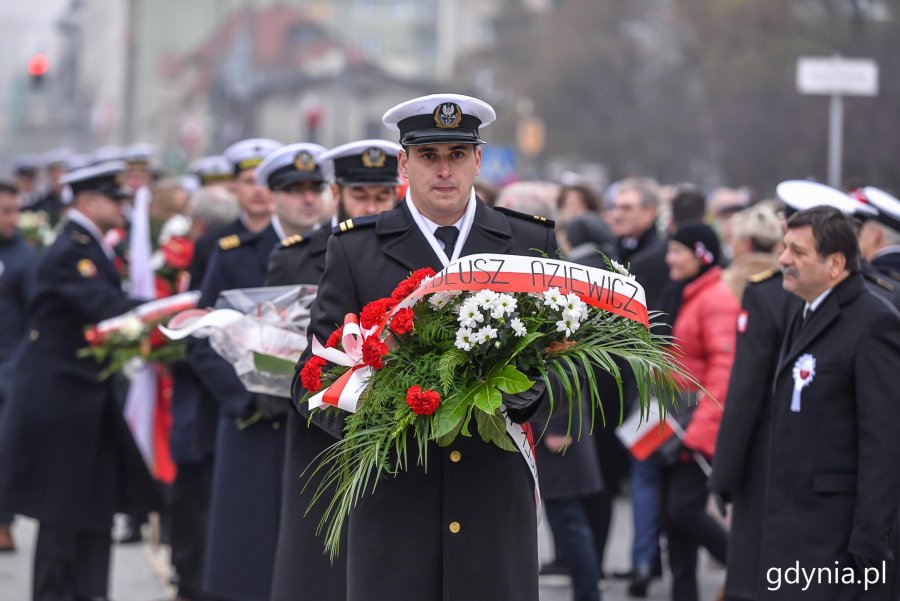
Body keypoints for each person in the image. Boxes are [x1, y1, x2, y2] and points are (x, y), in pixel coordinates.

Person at [293, 93, 557, 601]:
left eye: (457, 156)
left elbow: (568, 357)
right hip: (395, 502)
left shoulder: (527, 243)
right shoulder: (355, 248)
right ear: (404, 163)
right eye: (428, 156)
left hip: (492, 503)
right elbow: (313, 375)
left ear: (478, 160)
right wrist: (376, 419)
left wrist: (540, 394)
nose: (444, 171)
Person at [0, 161, 161, 601]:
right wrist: (169, 310)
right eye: (115, 200)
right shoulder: (72, 249)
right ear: (88, 202)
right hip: (61, 400)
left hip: (83, 397)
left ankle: (88, 592)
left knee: (91, 509)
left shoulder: (89, 244)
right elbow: (106, 306)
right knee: (62, 515)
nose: (122, 208)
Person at [189, 141, 327, 601]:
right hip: (253, 422)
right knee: (247, 558)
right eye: (294, 190)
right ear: (273, 195)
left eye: (314, 188)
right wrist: (246, 397)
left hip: (315, 421)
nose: (306, 199)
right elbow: (204, 337)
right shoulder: (232, 253)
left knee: (311, 559)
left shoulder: (339, 249)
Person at [267, 138, 401, 601]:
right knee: (317, 565)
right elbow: (275, 343)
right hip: (320, 427)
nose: (371, 205)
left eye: (382, 196)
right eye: (361, 196)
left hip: (391, 423)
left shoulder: (400, 246)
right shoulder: (297, 253)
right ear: (338, 193)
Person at [759, 206, 900, 599]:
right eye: (785, 247)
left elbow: (884, 443)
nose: (783, 259)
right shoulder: (806, 310)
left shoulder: (873, 323)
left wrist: (869, 549)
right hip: (796, 529)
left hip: (835, 544)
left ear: (836, 263)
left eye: (798, 252)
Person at [168, 184, 239, 601]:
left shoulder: (215, 246)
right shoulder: (220, 247)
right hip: (212, 391)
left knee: (202, 501)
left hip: (217, 396)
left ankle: (192, 581)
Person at [659, 222, 734, 601]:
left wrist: (701, 433)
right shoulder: (689, 293)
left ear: (701, 255)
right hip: (676, 425)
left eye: (677, 251)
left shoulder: (715, 299)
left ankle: (745, 568)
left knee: (684, 510)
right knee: (675, 523)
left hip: (694, 428)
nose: (669, 258)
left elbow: (723, 373)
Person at [607, 176, 667, 596]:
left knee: (646, 473)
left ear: (650, 212)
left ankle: (645, 561)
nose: (618, 214)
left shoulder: (659, 257)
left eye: (628, 208)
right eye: (616, 207)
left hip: (649, 385)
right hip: (622, 383)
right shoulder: (622, 253)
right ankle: (644, 558)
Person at [0, 179, 38, 552]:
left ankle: (3, 521)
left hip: (8, 369)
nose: (13, 219)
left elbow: (35, 319)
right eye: (5, 211)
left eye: (15, 210)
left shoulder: (25, 258)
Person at [721, 203, 783, 299]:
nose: (731, 245)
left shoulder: (729, 282)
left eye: (733, 238)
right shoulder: (787, 278)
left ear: (746, 243)